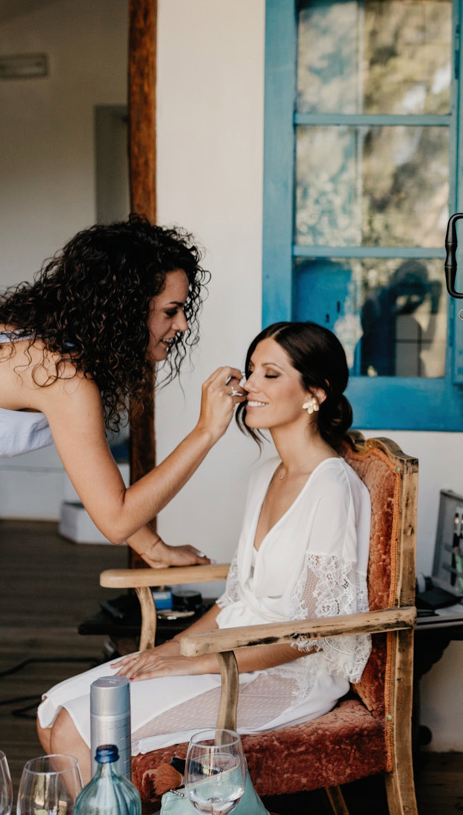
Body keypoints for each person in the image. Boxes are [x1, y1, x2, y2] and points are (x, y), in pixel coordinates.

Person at [0, 218, 245, 814]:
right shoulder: (60, 372)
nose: (180, 324)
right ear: (126, 306)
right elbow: (112, 516)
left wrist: (156, 550)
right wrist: (208, 430)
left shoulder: (59, 349)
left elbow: (97, 482)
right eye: (170, 310)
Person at [37, 321, 371, 782]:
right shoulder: (267, 474)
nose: (249, 384)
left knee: (78, 731)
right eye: (251, 369)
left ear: (316, 391)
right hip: (226, 651)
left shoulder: (331, 486)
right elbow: (237, 600)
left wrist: (193, 662)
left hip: (286, 676)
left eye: (270, 374)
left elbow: (309, 634)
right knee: (50, 714)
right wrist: (168, 650)